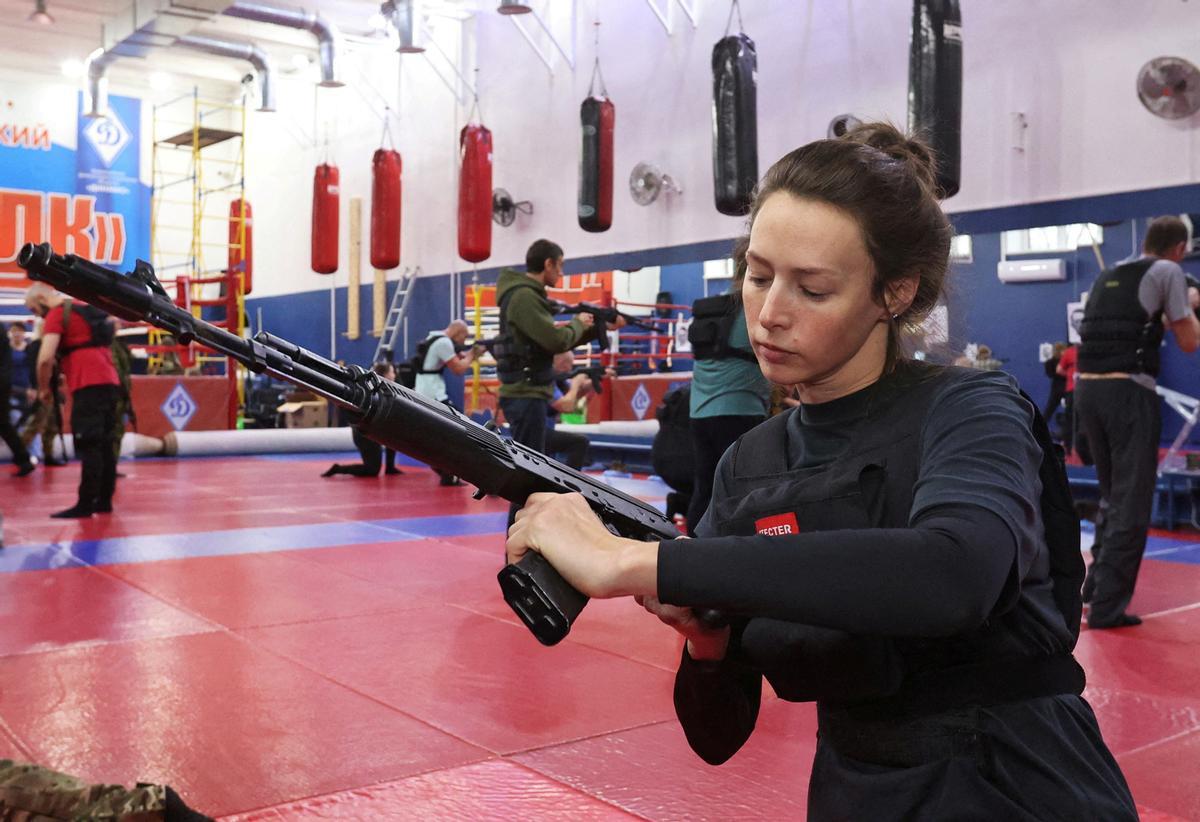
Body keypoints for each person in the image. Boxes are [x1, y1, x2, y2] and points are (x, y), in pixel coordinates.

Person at [505, 123, 1136, 819]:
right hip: (855, 790)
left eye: (812, 289)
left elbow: (953, 575)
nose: (769, 315)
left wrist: (635, 563)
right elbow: (716, 737)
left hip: (1016, 786)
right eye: (758, 275)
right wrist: (708, 642)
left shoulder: (968, 406)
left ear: (894, 293)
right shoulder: (753, 462)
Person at [1076, 215, 1200, 629]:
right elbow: (1189, 341)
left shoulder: (1111, 273)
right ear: (1180, 248)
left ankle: (1093, 591)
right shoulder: (1169, 271)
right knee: (1133, 503)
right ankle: (1108, 608)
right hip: (1127, 392)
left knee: (1112, 496)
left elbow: (1132, 325)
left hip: (1087, 391)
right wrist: (1190, 305)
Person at [495, 239, 609, 522]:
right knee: (528, 478)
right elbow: (555, 340)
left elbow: (548, 342)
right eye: (560, 265)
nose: (561, 273)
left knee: (532, 474)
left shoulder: (528, 295)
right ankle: (518, 549)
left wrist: (593, 329)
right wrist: (579, 324)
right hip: (526, 394)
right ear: (548, 263)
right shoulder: (524, 296)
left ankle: (523, 544)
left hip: (529, 393)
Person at [685, 250, 772, 534]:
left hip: (700, 411)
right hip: (740, 410)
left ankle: (691, 549)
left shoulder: (714, 311)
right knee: (742, 489)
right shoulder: (750, 310)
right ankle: (733, 554)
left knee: (705, 486)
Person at [26, 283, 121, 518]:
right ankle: (104, 501)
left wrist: (43, 389)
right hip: (110, 380)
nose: (36, 314)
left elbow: (45, 359)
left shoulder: (57, 314)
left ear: (41, 298)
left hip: (87, 384)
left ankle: (85, 503)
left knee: (88, 443)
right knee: (106, 444)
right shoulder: (83, 308)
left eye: (34, 309)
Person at [413, 319, 483, 485]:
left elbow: (457, 357)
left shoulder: (434, 337)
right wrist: (473, 355)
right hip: (434, 394)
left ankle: (445, 471)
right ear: (458, 333)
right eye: (463, 337)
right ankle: (448, 470)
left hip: (424, 390)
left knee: (440, 433)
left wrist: (469, 354)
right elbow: (458, 369)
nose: (463, 341)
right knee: (459, 428)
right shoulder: (444, 343)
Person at [323, 362, 400, 478]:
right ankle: (338, 469)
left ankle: (390, 467)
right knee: (372, 470)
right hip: (365, 435)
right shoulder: (375, 391)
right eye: (392, 372)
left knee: (393, 432)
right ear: (385, 374)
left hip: (371, 431)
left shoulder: (385, 390)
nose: (394, 375)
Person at [545, 351, 595, 470]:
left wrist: (595, 379)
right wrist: (576, 383)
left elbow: (573, 396)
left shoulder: (558, 381)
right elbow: (567, 406)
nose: (569, 368)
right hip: (534, 431)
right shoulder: (546, 380)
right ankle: (571, 482)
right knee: (580, 442)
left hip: (544, 429)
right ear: (555, 362)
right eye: (566, 364)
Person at [0, 321, 36, 477]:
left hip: (3, 382)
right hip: (4, 383)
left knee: (4, 423)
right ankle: (23, 459)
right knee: (4, 424)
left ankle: (23, 458)